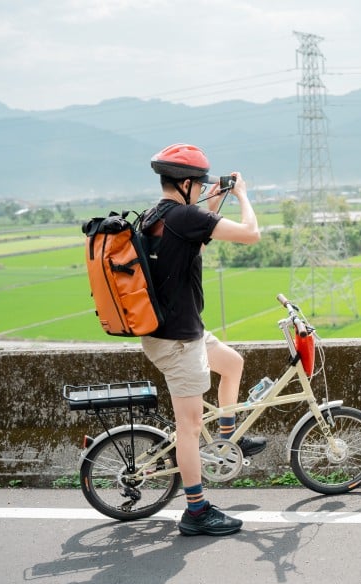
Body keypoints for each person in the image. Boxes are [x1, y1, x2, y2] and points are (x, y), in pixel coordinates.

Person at [141, 143, 265, 536]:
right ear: (188, 184)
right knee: (190, 428)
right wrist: (242, 195)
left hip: (179, 331)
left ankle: (228, 439)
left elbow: (194, 231)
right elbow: (250, 234)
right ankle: (196, 511)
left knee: (233, 363)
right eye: (201, 185)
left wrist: (211, 200)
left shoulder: (156, 215)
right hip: (177, 341)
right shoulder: (182, 216)